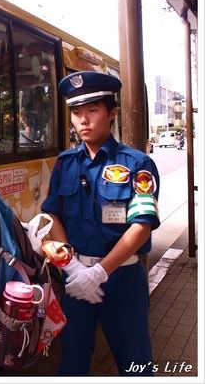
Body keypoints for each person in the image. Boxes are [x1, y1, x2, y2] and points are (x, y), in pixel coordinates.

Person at [41, 71, 160, 376]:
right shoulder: (65, 163)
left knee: (136, 363)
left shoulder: (137, 164)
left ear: (112, 114)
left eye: (92, 110)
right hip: (77, 275)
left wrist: (100, 272)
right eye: (76, 112)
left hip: (122, 279)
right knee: (73, 359)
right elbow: (53, 212)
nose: (83, 120)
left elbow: (142, 225)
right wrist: (72, 265)